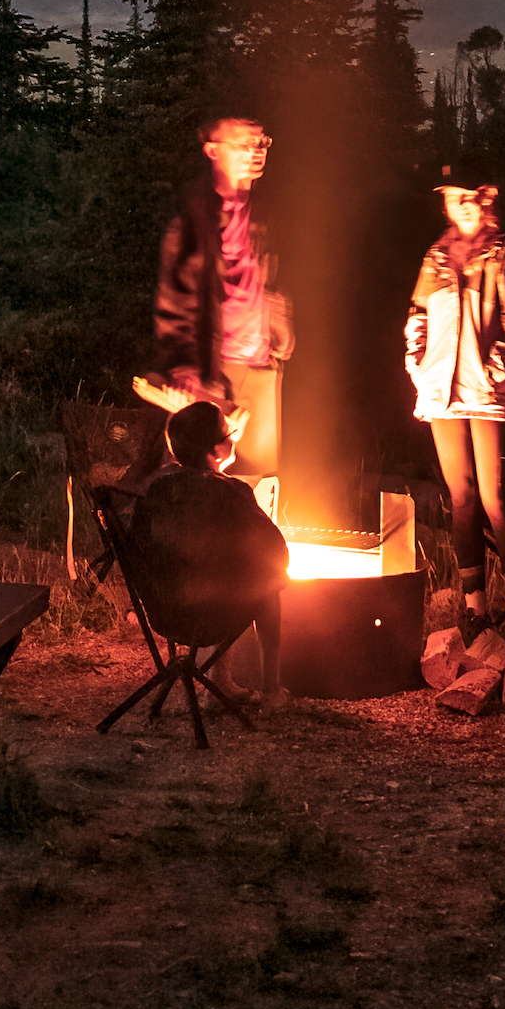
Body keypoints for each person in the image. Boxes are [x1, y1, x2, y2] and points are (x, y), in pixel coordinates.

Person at [404, 178, 505, 623]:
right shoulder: (436, 258)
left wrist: (494, 371)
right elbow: (417, 316)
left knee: (496, 501)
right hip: (442, 395)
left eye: (468, 198)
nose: (459, 206)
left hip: (488, 397)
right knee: (460, 498)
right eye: (450, 198)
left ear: (487, 200)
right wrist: (418, 364)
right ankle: (475, 608)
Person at [147, 106, 294, 480]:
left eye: (261, 141)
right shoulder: (194, 219)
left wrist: (279, 324)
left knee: (258, 479)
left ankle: (258, 537)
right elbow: (174, 298)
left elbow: (269, 282)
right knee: (200, 473)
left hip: (260, 365)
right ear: (213, 150)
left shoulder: (263, 212)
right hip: (213, 371)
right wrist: (183, 366)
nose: (255, 150)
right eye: (243, 143)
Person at [132, 394, 289, 701]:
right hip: (212, 615)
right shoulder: (230, 492)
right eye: (227, 428)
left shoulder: (157, 487)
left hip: (162, 610)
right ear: (217, 448)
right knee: (269, 583)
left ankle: (221, 677)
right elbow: (278, 554)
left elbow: (137, 544)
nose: (233, 429)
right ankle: (271, 690)